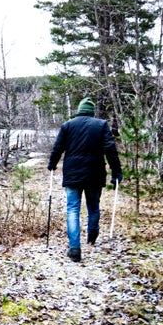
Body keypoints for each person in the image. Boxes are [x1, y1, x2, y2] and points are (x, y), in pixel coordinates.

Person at [47, 97, 122, 262]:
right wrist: (116, 171)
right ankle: (92, 234)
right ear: (92, 112)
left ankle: (74, 249)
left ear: (79, 110)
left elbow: (58, 147)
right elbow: (110, 149)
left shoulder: (68, 125)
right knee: (93, 206)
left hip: (72, 174)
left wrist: (52, 164)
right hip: (95, 173)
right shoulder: (101, 125)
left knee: (72, 209)